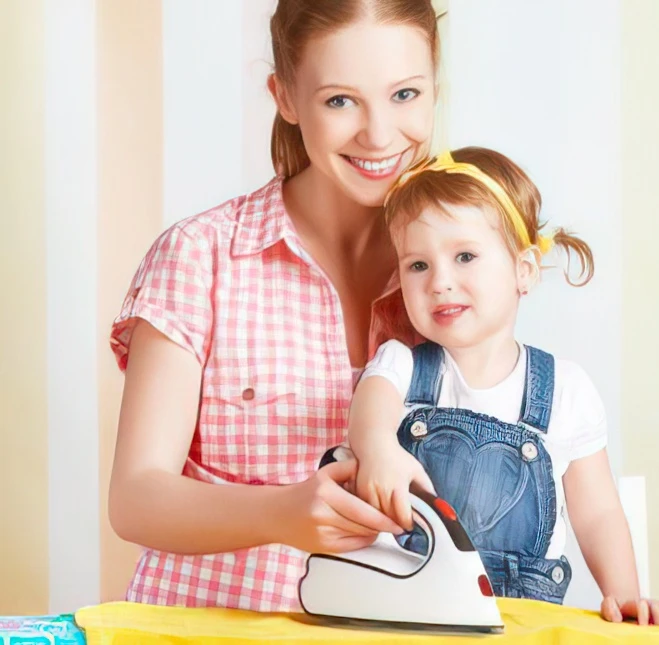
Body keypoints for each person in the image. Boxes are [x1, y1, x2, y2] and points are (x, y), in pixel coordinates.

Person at [106, 0, 440, 612]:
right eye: (341, 100)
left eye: (405, 95)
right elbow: (135, 498)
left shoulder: (459, 267)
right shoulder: (201, 256)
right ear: (285, 97)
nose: (380, 134)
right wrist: (281, 512)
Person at [339, 146, 659, 625]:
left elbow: (598, 514)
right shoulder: (400, 366)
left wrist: (625, 596)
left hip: (521, 624)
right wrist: (376, 447)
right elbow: (370, 410)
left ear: (524, 271)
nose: (439, 281)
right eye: (417, 265)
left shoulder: (565, 390)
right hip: (405, 619)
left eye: (465, 256)